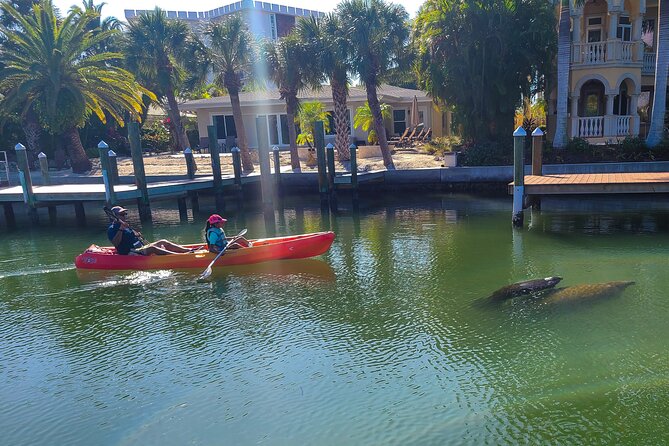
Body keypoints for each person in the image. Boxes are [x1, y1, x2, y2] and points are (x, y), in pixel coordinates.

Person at [107, 206, 193, 256]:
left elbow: (130, 237)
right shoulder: (112, 228)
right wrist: (121, 229)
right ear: (115, 216)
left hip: (139, 247)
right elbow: (116, 243)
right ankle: (177, 256)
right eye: (122, 214)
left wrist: (136, 235)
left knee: (163, 241)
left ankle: (187, 251)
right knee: (152, 248)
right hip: (130, 252)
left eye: (125, 214)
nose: (124, 216)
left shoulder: (125, 225)